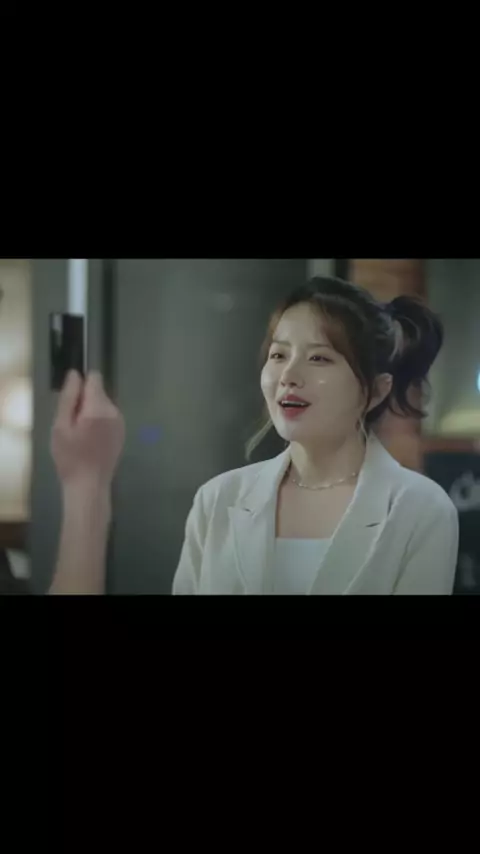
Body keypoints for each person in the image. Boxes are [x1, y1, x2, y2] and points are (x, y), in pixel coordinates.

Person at [50, 276, 459, 595]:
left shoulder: (419, 509)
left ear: (376, 391)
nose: (288, 375)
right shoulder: (217, 499)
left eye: (319, 358)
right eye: (278, 355)